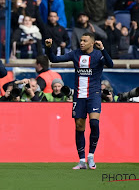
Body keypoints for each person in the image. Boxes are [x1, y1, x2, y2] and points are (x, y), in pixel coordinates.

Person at [45, 32, 113, 170]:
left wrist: (103, 49)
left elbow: (110, 64)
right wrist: (48, 48)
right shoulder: (75, 54)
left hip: (93, 94)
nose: (81, 42)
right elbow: (54, 59)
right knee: (79, 127)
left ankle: (91, 156)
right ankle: (82, 160)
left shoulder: (98, 55)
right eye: (81, 40)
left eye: (85, 41)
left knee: (94, 123)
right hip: (79, 96)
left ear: (92, 43)